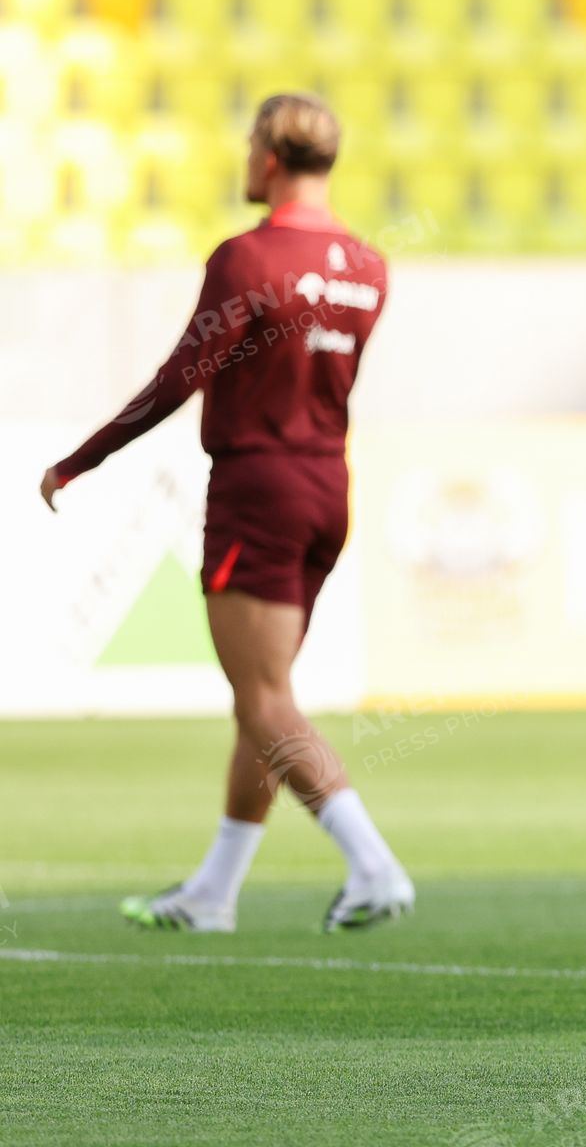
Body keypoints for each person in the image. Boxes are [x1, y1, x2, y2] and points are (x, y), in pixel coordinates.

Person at [40, 94, 414, 935]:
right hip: (327, 490)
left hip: (258, 489)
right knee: (264, 698)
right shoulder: (369, 265)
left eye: (250, 144)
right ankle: (214, 893)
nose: (246, 158)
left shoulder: (246, 258)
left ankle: (373, 865)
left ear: (271, 158)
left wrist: (81, 458)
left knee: (265, 700)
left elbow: (181, 378)